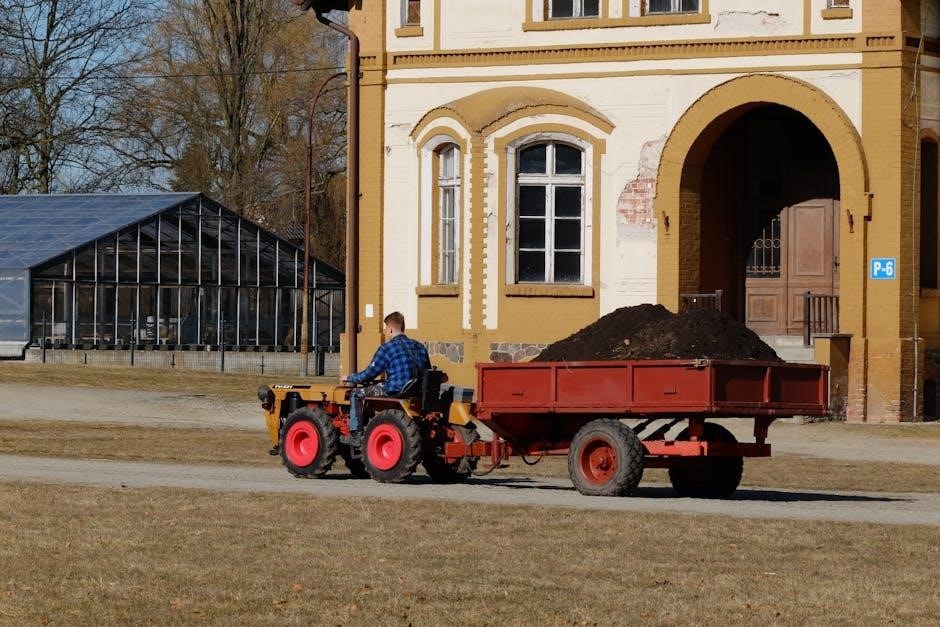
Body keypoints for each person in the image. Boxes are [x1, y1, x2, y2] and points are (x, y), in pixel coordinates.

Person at [341, 311, 430, 445]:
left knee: (356, 394)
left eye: (386, 329)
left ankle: (356, 435)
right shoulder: (420, 346)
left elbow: (369, 374)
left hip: (396, 389)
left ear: (391, 329)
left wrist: (349, 378)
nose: (386, 332)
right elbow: (427, 370)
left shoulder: (387, 348)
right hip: (416, 390)